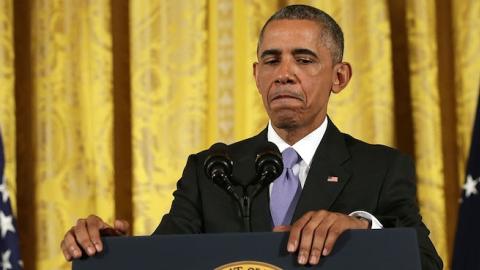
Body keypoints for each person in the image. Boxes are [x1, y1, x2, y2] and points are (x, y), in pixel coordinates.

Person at [60, 4, 442, 269]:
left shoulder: (381, 167)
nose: (285, 73)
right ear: (257, 75)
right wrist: (108, 250)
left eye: (304, 59)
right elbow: (165, 259)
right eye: (272, 60)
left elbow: (425, 262)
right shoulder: (211, 169)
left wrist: (361, 228)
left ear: (339, 77)